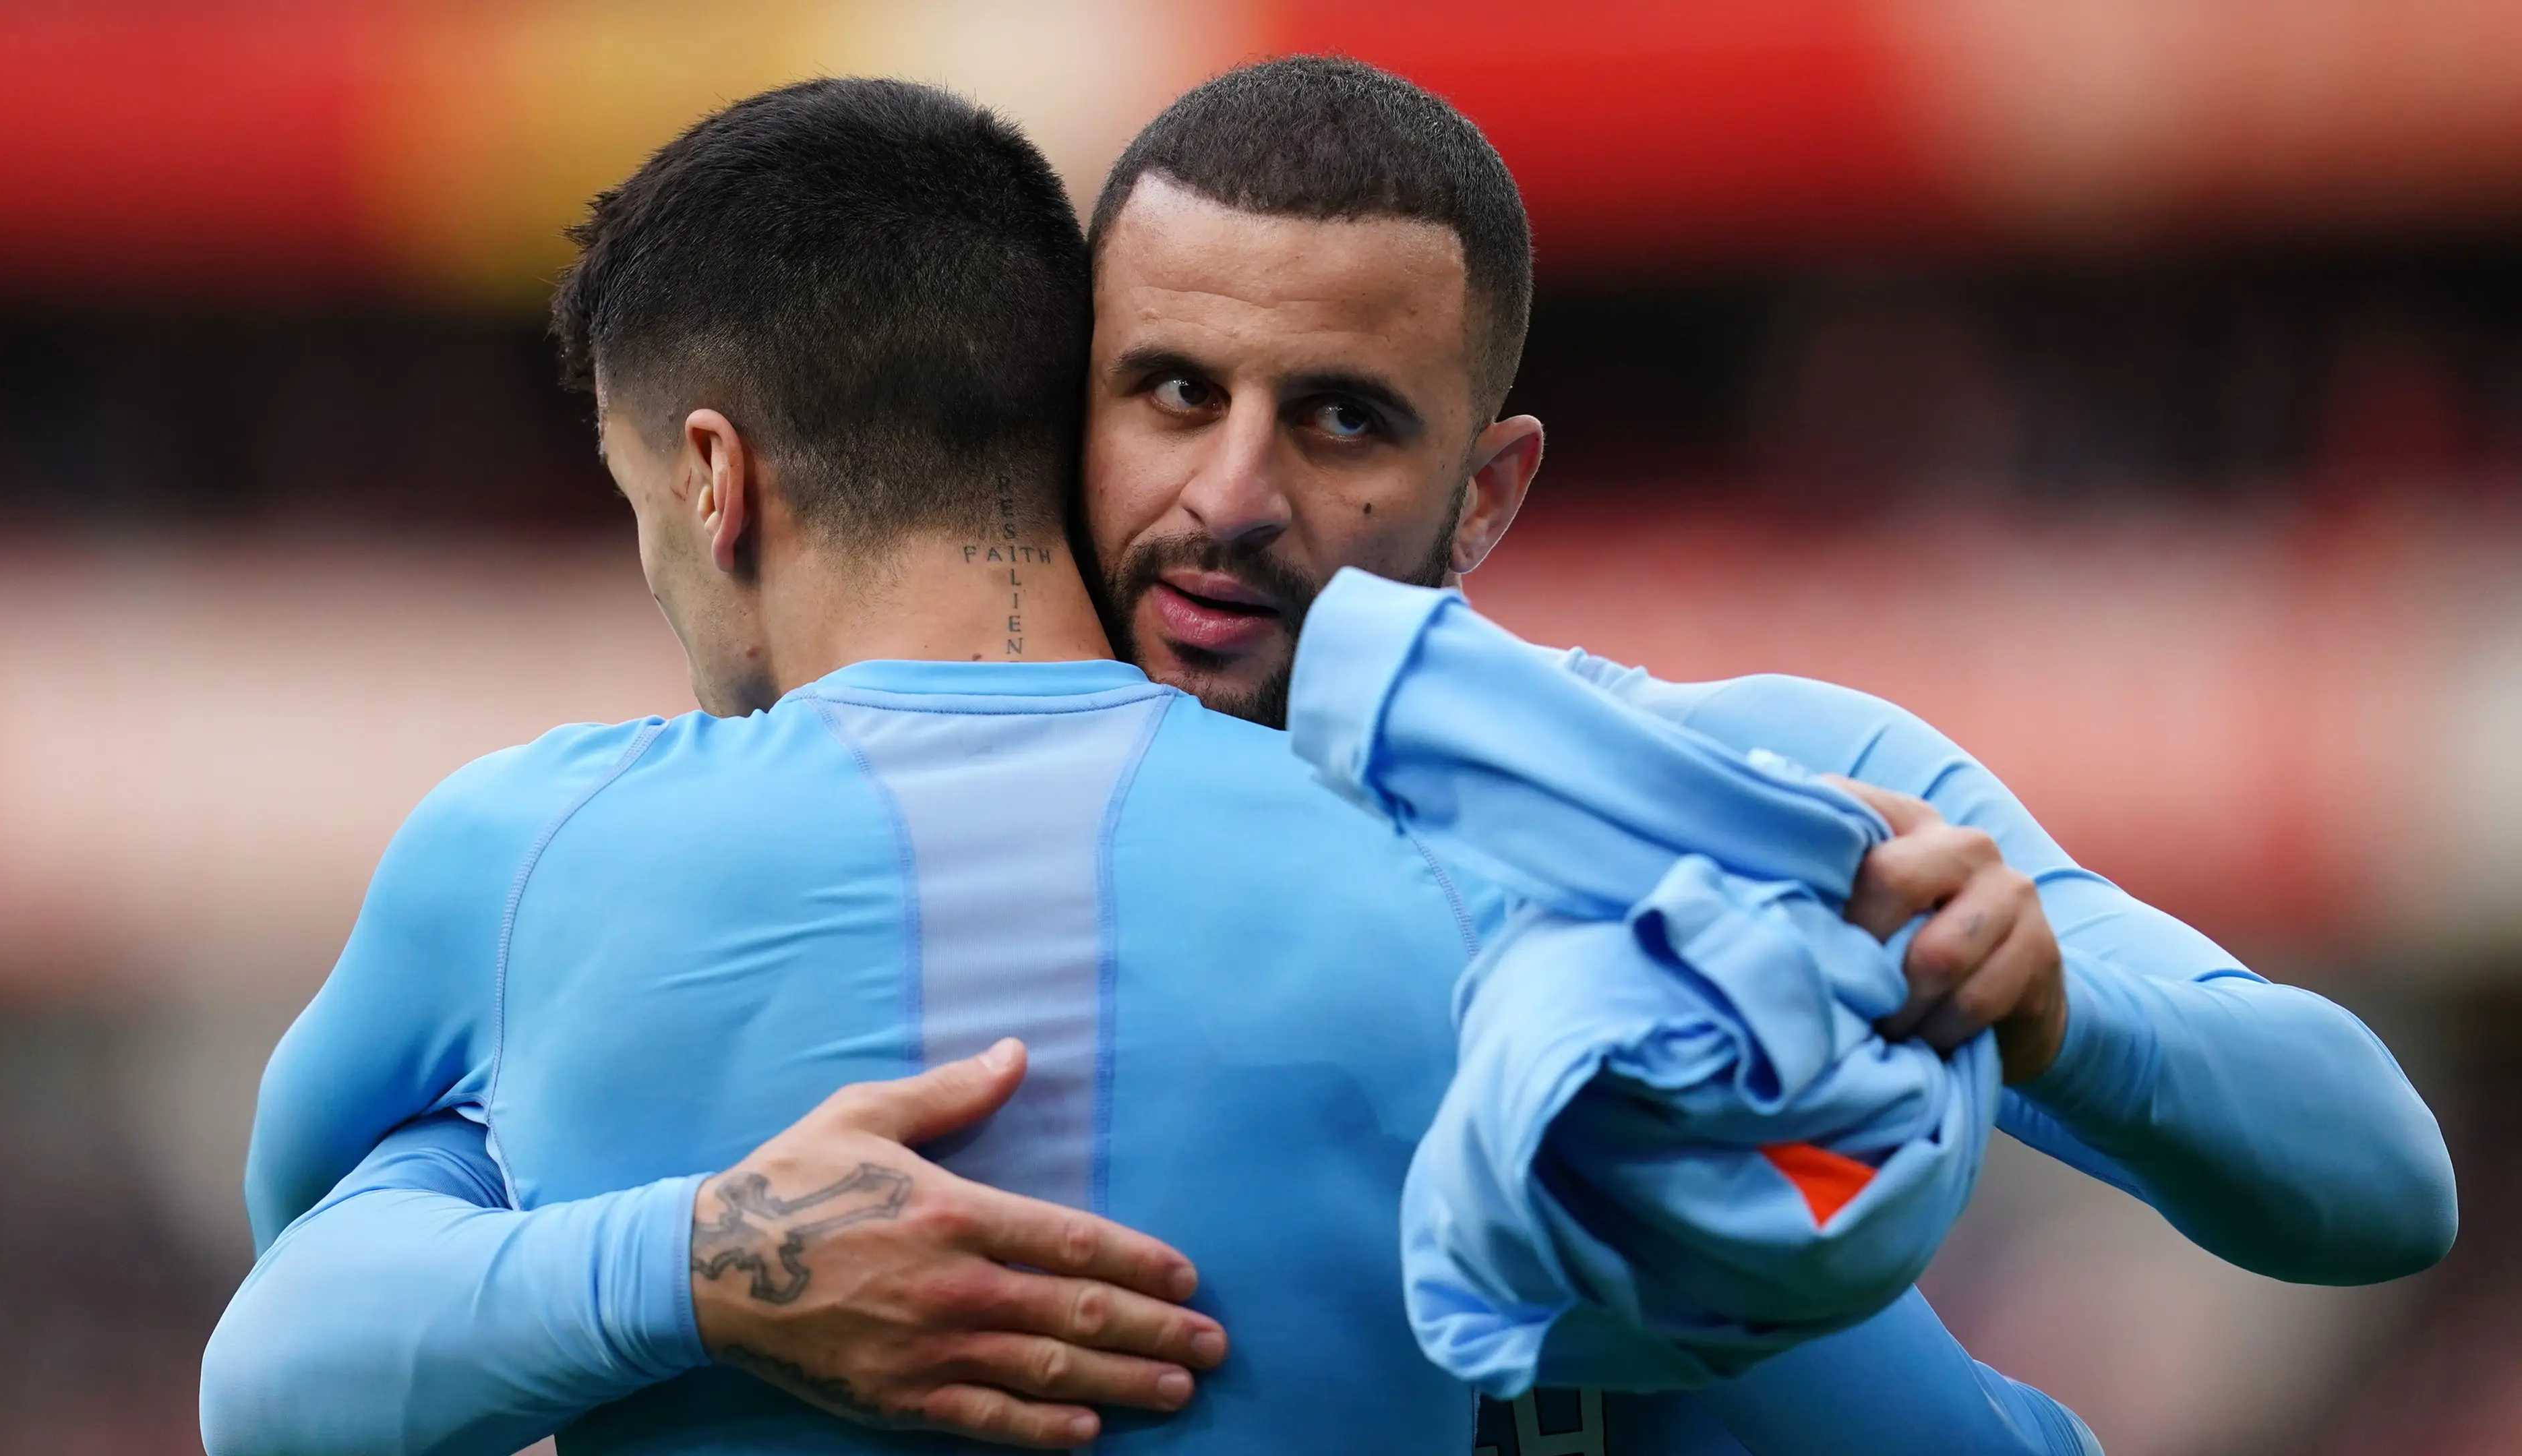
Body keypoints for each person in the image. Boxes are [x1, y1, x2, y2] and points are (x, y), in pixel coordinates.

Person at [208, 56, 2455, 1456]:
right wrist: (701, 1261)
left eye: (1346, 422)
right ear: (1056, 397)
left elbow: (2379, 1187)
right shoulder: (700, 838)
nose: (1233, 498)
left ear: (1490, 492)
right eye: (1172, 389)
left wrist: (2053, 1010)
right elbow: (300, 1333)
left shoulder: (1738, 795)